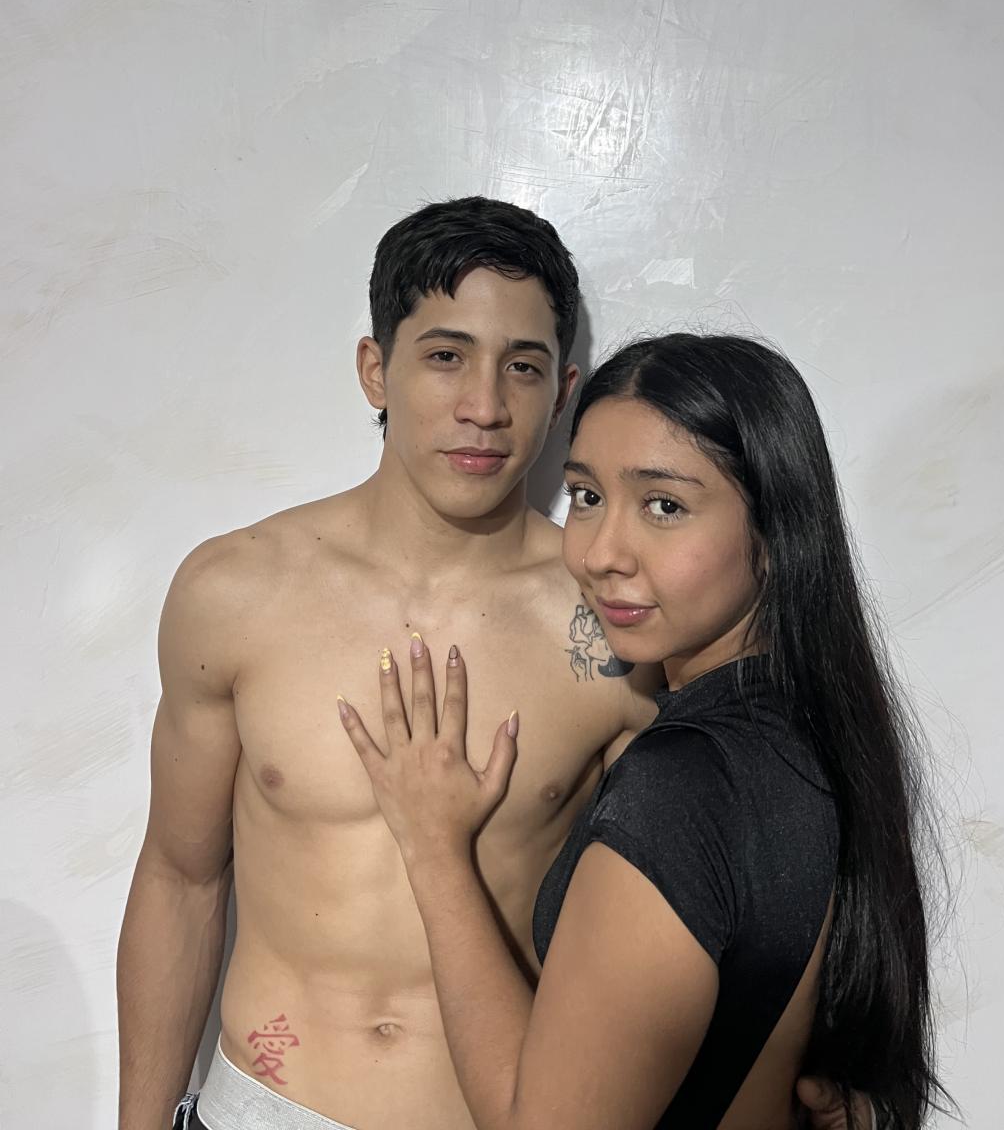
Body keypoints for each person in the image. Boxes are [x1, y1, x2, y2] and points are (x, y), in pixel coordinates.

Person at [117, 198, 873, 1130]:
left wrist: (822, 1070)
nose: (484, 408)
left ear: (563, 391)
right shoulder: (234, 592)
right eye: (446, 356)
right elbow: (180, 879)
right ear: (375, 369)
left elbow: (732, 871)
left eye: (522, 366)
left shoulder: (620, 632)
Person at [339, 333, 949, 1129]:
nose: (601, 553)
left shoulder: (682, 785)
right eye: (586, 496)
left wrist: (435, 851)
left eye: (664, 506)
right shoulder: (809, 733)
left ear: (775, 533)